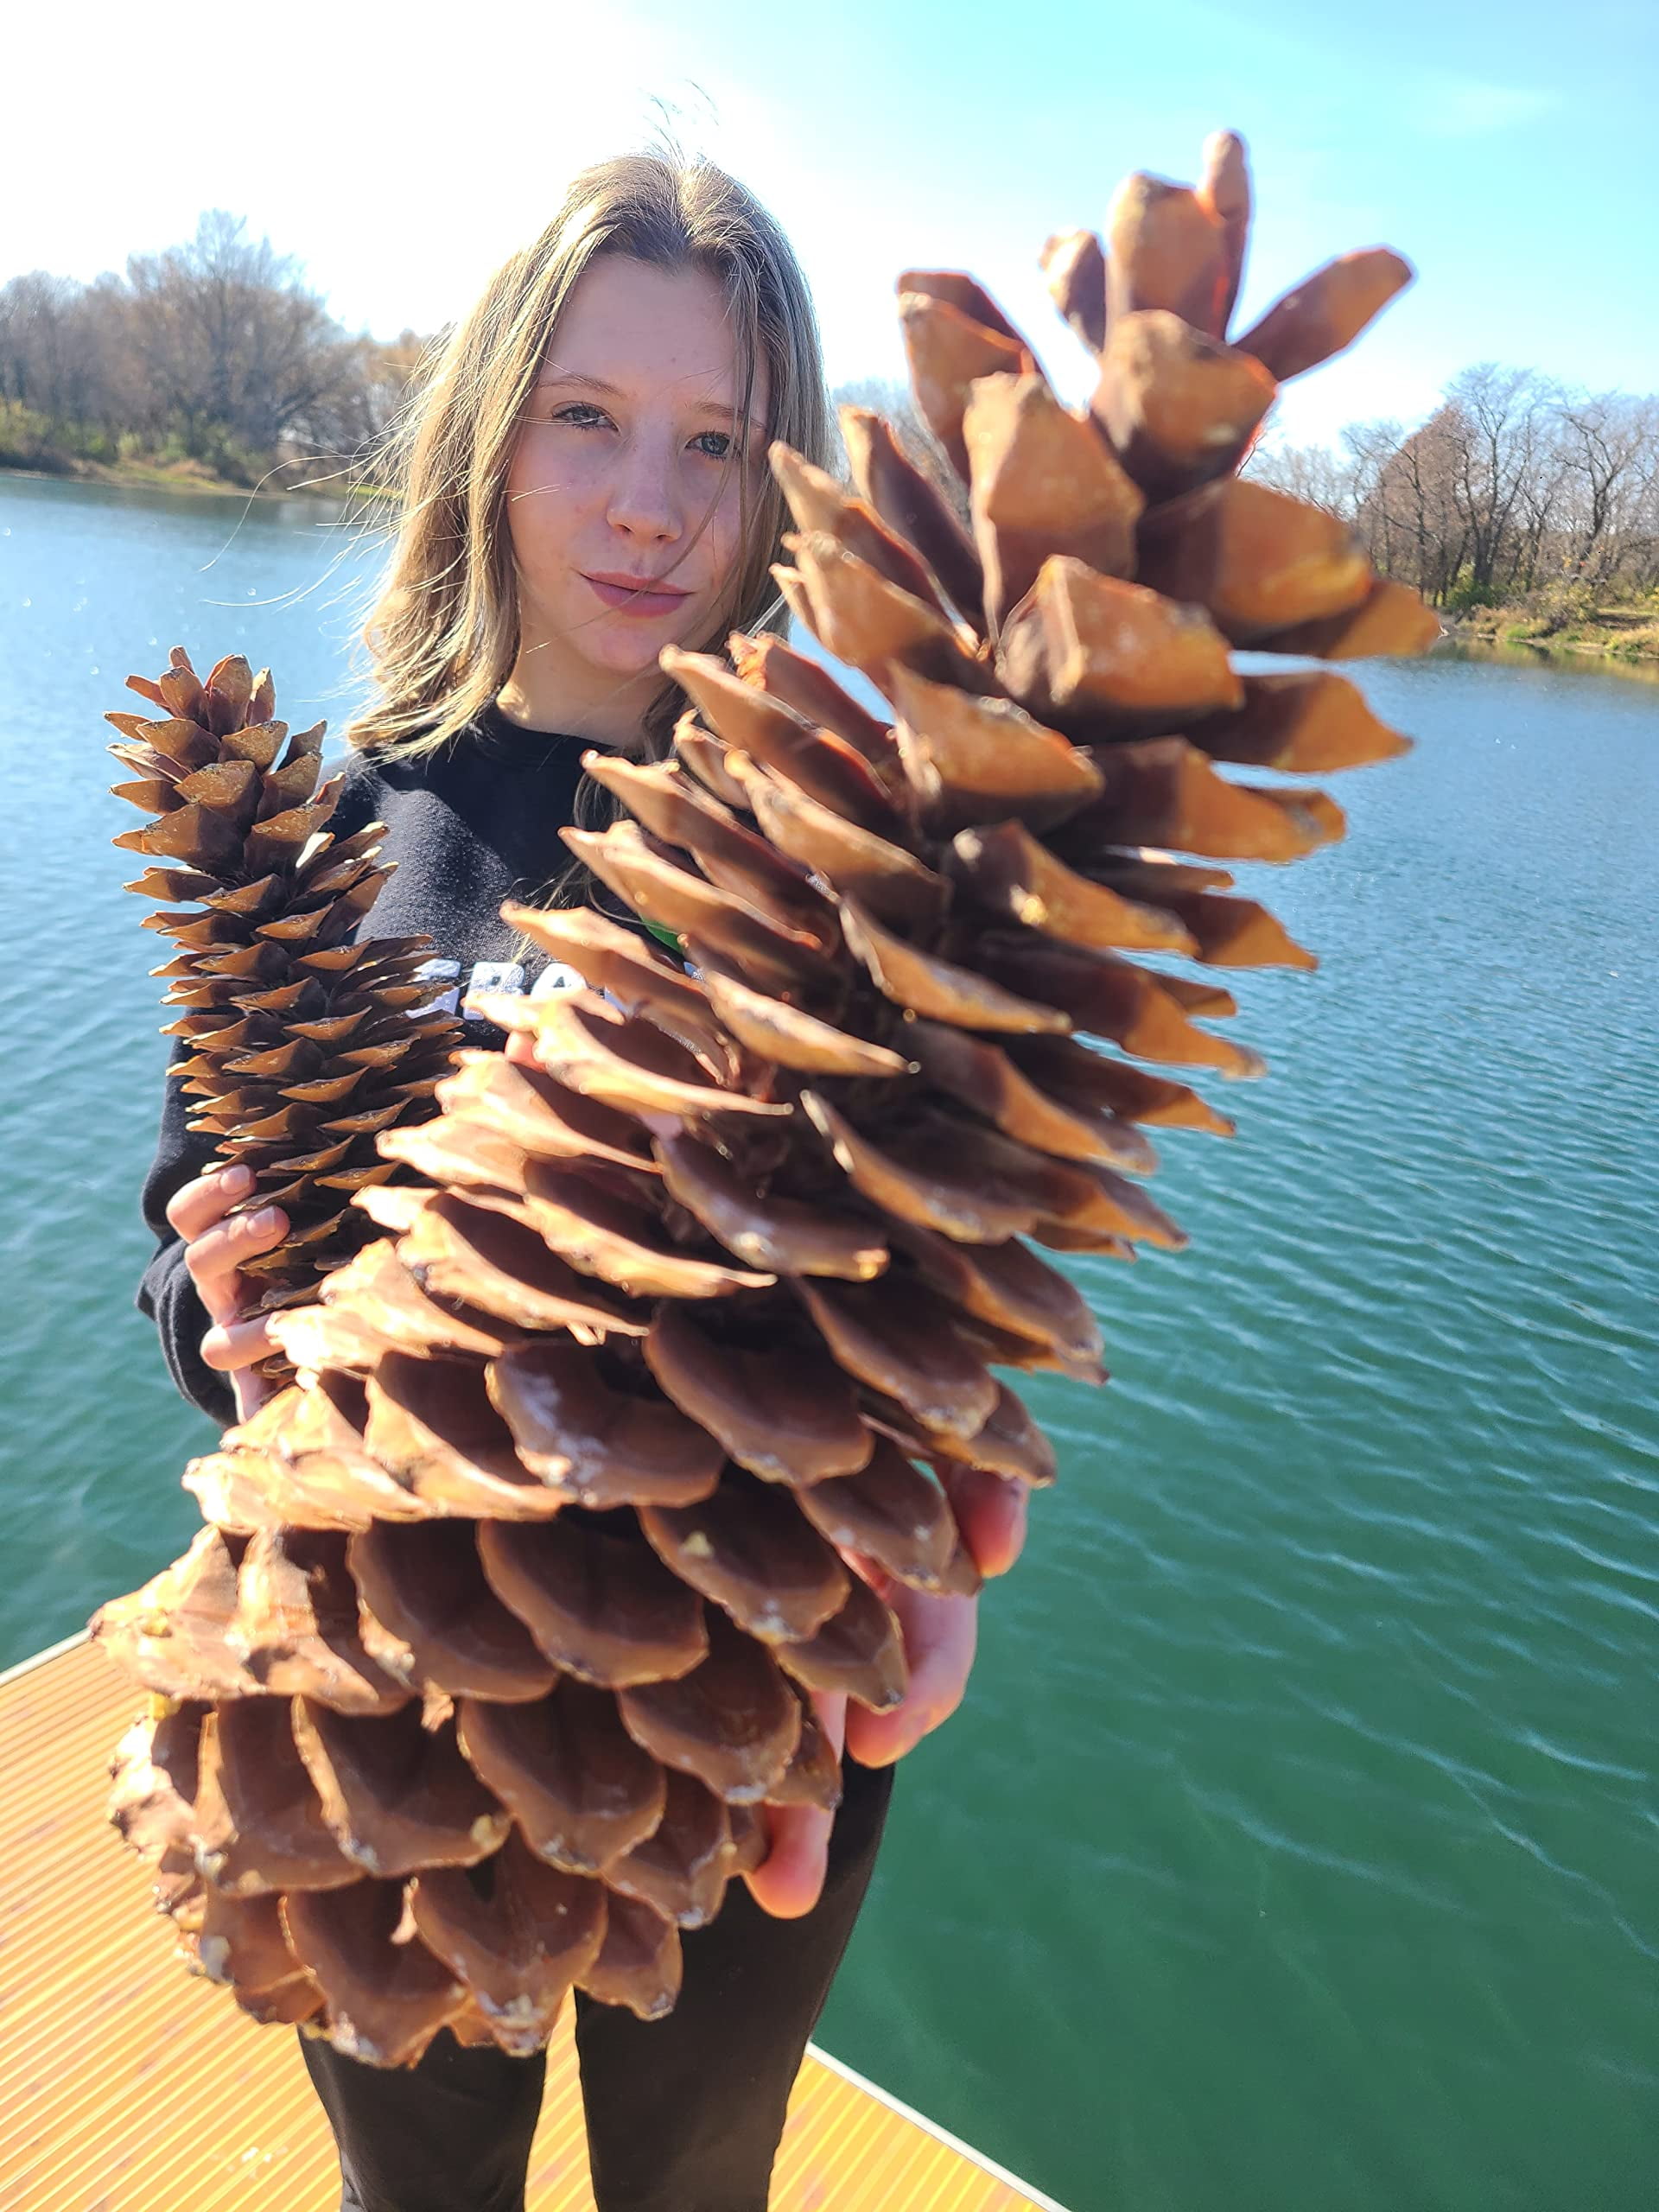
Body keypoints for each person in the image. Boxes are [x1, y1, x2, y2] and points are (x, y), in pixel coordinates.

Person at [136, 151, 1025, 2212]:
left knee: (695, 2179)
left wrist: (942, 1540)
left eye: (719, 439)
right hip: (382, 1684)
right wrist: (225, 1310)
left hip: (745, 1682)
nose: (653, 503)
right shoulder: (339, 832)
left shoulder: (846, 853)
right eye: (590, 419)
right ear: (489, 435)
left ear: (783, 478)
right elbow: (190, 1216)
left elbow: (941, 1272)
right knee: (421, 2185)